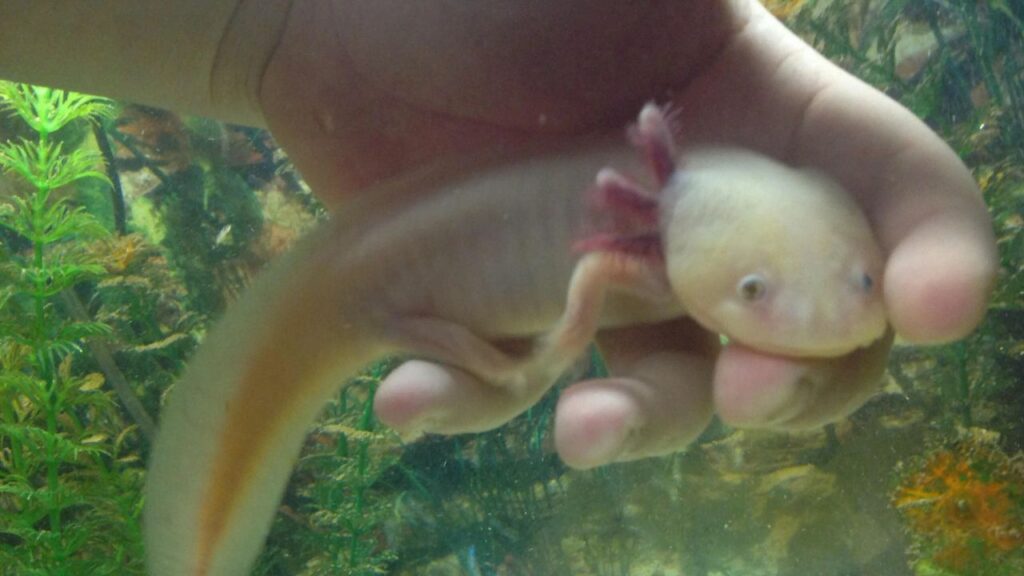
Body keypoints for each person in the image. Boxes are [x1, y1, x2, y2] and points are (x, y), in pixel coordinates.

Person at [0, 0, 996, 468]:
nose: (823, 317)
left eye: (863, 280)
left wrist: (277, 33)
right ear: (640, 231)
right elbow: (588, 287)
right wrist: (552, 349)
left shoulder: (748, 205)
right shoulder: (634, 248)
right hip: (393, 282)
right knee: (415, 349)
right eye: (756, 296)